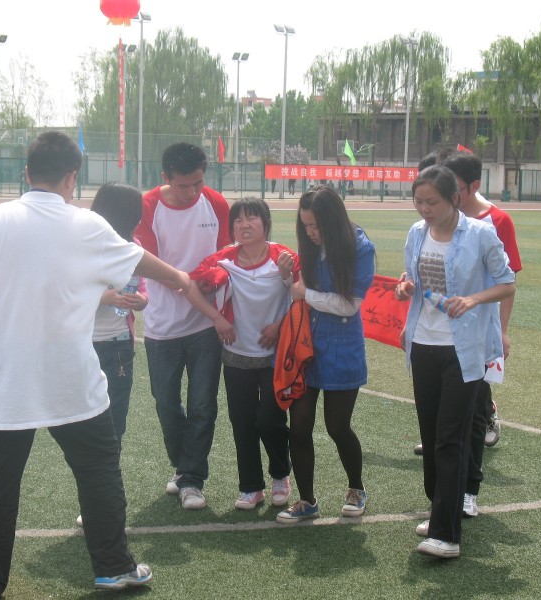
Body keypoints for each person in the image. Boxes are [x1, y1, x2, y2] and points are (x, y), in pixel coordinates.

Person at [0, 131, 192, 596]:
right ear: (72, 178)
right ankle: (113, 567)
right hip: (70, 378)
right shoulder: (86, 224)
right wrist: (179, 277)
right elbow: (139, 260)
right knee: (98, 468)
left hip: (6, 378)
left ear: (27, 173)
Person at [395, 164, 515, 559]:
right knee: (430, 435)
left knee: (451, 437)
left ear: (454, 198)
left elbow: (507, 282)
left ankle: (447, 535)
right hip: (423, 343)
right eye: (418, 201)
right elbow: (414, 278)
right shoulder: (417, 233)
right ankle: (440, 512)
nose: (424, 209)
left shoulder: (480, 234)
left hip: (463, 348)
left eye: (432, 202)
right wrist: (405, 287)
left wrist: (473, 299)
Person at [134, 142, 231, 511]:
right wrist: (192, 281)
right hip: (162, 326)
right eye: (184, 185)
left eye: (198, 183)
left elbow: (225, 255)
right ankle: (183, 465)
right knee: (165, 403)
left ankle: (191, 479)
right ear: (165, 177)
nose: (192, 192)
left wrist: (213, 278)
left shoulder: (216, 203)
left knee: (203, 404)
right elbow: (151, 264)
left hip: (206, 324)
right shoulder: (147, 206)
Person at [189, 197, 298, 511]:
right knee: (242, 422)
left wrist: (279, 325)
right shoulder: (223, 259)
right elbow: (189, 285)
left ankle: (280, 474)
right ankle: (251, 487)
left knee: (271, 420)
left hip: (275, 355)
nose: (244, 225)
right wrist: (217, 318)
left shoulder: (284, 257)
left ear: (265, 223)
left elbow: (302, 297)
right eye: (238, 220)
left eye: (252, 218)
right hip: (236, 354)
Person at [276, 185, 375, 524]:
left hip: (343, 348)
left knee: (337, 426)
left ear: (333, 221)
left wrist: (304, 293)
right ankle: (307, 501)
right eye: (305, 226)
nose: (310, 233)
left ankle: (356, 488)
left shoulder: (360, 247)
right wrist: (288, 277)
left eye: (316, 226)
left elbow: (349, 305)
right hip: (307, 346)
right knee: (299, 426)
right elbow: (297, 292)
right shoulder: (309, 246)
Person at [441, 151, 523, 518]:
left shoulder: (497, 221)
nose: (447, 194)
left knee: (474, 410)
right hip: (441, 333)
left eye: (454, 187)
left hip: (479, 333)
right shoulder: (438, 218)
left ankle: (469, 490)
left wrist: (501, 332)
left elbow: (508, 280)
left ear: (473, 185)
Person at [90, 182, 148, 450]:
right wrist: (105, 297)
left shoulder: (133, 246)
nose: (139, 220)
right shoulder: (85, 246)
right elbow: (65, 292)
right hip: (85, 343)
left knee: (116, 417)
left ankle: (110, 467)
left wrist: (141, 300)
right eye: (136, 213)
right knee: (84, 417)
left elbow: (142, 287)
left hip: (120, 343)